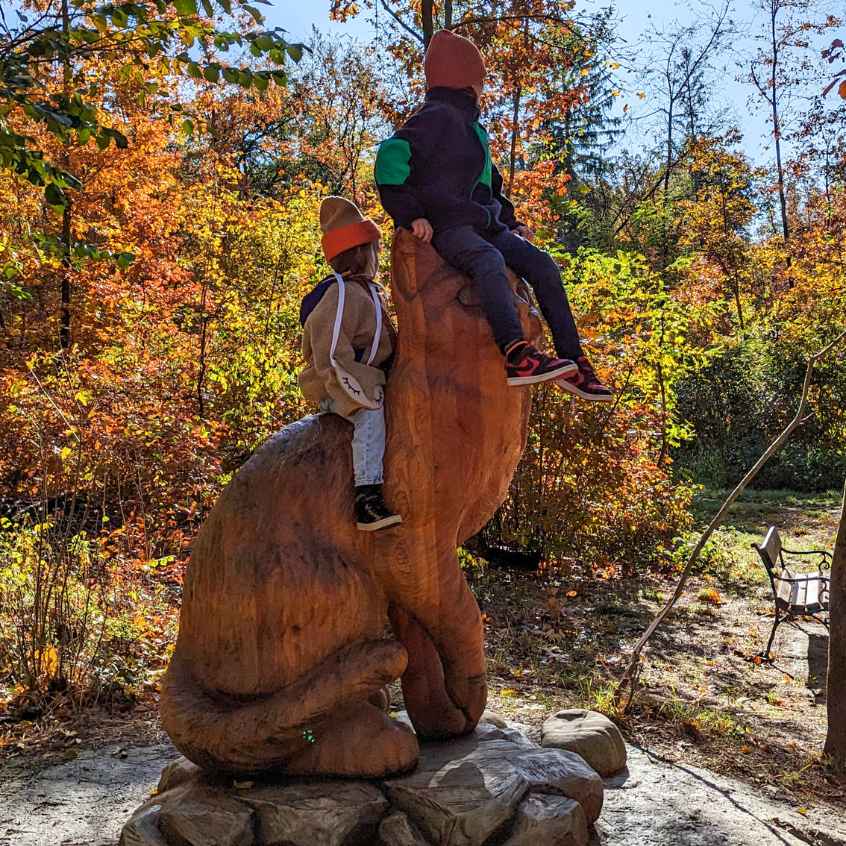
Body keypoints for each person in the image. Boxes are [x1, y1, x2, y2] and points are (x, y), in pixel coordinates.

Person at [374, 29, 613, 401]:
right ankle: (516, 354)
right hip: (449, 226)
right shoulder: (434, 117)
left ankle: (574, 361)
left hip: (488, 225)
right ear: (465, 80)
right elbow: (390, 157)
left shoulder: (475, 131)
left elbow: (491, 185)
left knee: (543, 265)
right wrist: (411, 214)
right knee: (488, 260)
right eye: (480, 80)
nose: (483, 88)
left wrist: (512, 220)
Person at [299, 196, 402, 531]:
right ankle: (366, 496)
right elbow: (331, 350)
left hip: (364, 377)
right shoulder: (341, 293)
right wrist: (356, 388)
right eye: (374, 249)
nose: (378, 257)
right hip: (335, 381)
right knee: (369, 415)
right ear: (360, 252)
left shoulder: (369, 293)